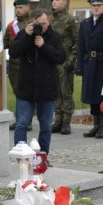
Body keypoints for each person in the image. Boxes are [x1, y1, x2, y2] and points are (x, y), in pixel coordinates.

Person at [10, 8, 67, 154]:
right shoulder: (23, 34)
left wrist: (43, 46)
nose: (43, 26)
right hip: (26, 89)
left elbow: (60, 57)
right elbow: (13, 52)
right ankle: (20, 156)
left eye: (45, 23)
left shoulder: (54, 36)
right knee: (22, 124)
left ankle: (43, 158)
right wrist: (27, 37)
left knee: (46, 127)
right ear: (32, 22)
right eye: (39, 24)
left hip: (47, 89)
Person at [76, 0, 103, 138]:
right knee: (91, 95)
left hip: (102, 63)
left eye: (99, 5)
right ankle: (95, 124)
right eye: (94, 6)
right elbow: (81, 46)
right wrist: (80, 65)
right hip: (89, 62)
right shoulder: (85, 24)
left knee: (102, 96)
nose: (96, 8)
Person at [49, 0, 78, 134]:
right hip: (52, 62)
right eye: (53, 0)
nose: (54, 2)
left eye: (58, 0)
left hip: (65, 62)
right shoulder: (49, 20)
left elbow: (77, 42)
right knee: (55, 92)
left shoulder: (70, 20)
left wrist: (71, 60)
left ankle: (66, 121)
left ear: (65, 2)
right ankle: (58, 119)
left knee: (66, 92)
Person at [3, 0, 32, 130]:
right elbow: (5, 43)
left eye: (21, 7)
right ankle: (20, 119)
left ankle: (28, 120)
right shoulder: (11, 26)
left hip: (29, 65)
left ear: (28, 7)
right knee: (18, 93)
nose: (18, 10)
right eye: (16, 8)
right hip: (14, 66)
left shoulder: (32, 24)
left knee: (28, 93)